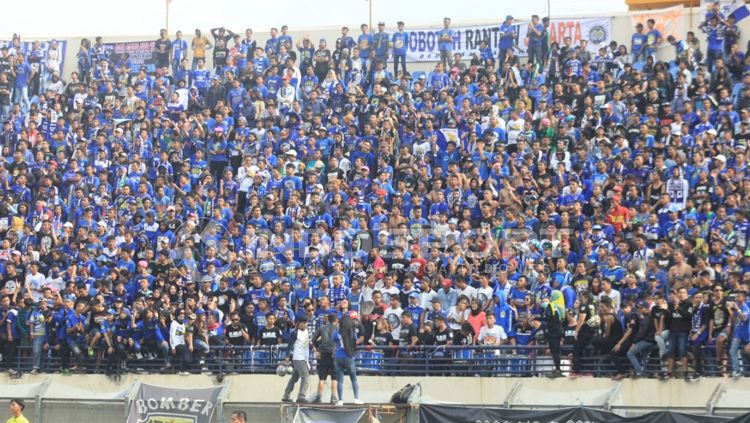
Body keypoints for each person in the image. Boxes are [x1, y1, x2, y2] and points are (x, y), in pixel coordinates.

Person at [332, 311, 363, 406]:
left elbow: (333, 340)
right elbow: (356, 341)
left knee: (340, 380)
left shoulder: (337, 333)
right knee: (353, 378)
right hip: (349, 357)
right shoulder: (352, 333)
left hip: (338, 357)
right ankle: (356, 398)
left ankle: (340, 400)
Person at [282, 316, 310, 403]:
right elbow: (290, 345)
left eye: (306, 323)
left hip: (304, 357)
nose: (305, 325)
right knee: (305, 376)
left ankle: (286, 395)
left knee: (294, 378)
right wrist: (287, 356)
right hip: (298, 358)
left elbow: (306, 343)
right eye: (303, 323)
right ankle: (301, 396)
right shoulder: (295, 333)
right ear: (299, 323)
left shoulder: (306, 331)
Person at [311, 313, 338, 404]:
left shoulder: (322, 328)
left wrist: (317, 349)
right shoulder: (338, 329)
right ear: (336, 320)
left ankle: (319, 398)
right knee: (334, 377)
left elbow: (313, 339)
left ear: (327, 320)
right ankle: (333, 397)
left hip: (323, 353)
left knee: (322, 377)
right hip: (335, 354)